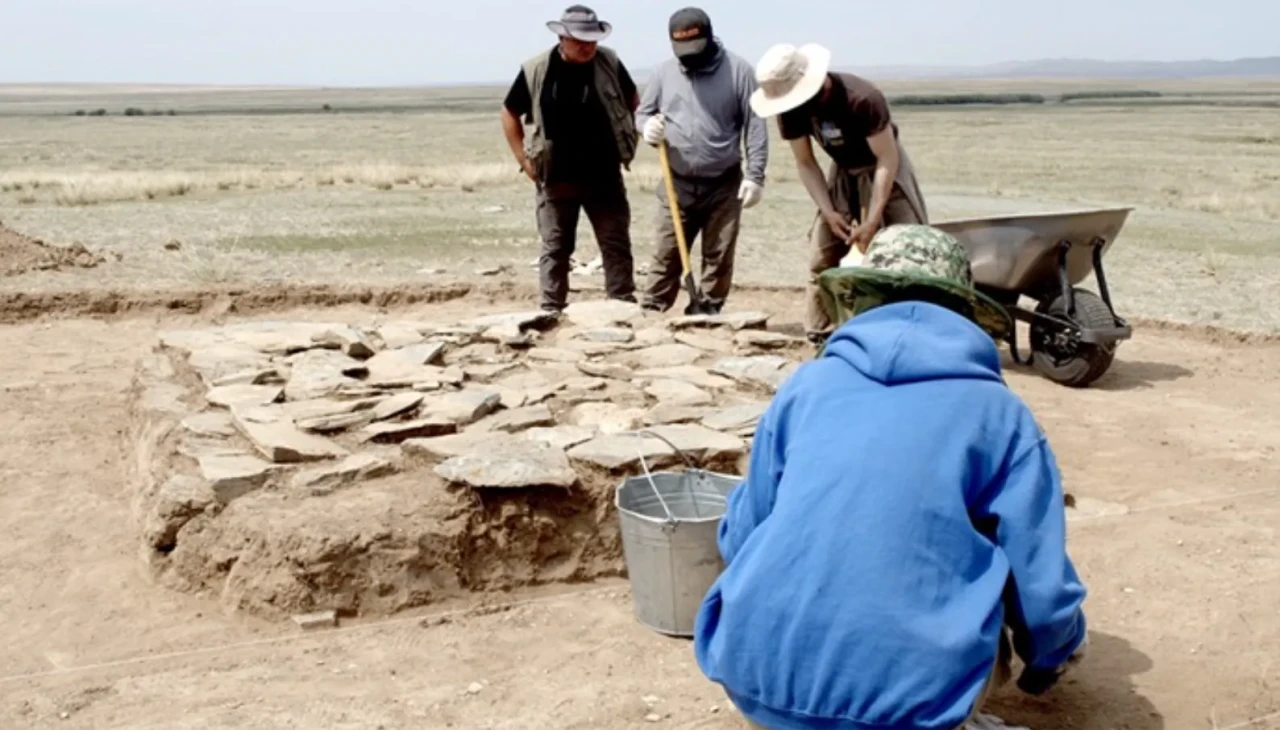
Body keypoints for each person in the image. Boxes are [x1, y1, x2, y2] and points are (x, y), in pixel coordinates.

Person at [693, 224, 1089, 730]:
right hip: (906, 705)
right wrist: (1051, 659)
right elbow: (1042, 585)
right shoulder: (999, 415)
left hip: (756, 678)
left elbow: (744, 532)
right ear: (964, 310)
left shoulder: (807, 386)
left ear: (861, 299)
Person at [748, 43, 930, 343]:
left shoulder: (861, 98)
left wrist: (872, 219)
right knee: (822, 255)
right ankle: (820, 332)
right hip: (842, 171)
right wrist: (828, 210)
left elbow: (887, 158)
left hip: (885, 169)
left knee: (908, 250)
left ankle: (912, 330)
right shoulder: (790, 111)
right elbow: (805, 163)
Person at [500, 5, 640, 313]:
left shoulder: (610, 63)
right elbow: (509, 112)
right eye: (580, 40)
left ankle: (622, 306)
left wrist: (635, 133)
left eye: (593, 40)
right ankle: (551, 310)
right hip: (555, 178)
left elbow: (634, 102)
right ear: (562, 37)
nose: (588, 46)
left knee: (615, 243)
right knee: (556, 247)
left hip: (605, 176)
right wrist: (523, 160)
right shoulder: (536, 69)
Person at [635, 7, 768, 315]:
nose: (688, 58)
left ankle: (707, 310)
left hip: (724, 183)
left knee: (719, 254)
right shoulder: (663, 72)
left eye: (694, 49)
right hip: (676, 182)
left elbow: (756, 124)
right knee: (666, 253)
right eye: (681, 51)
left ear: (709, 38)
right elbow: (642, 112)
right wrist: (646, 127)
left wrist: (755, 175)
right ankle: (652, 311)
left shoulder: (739, 71)